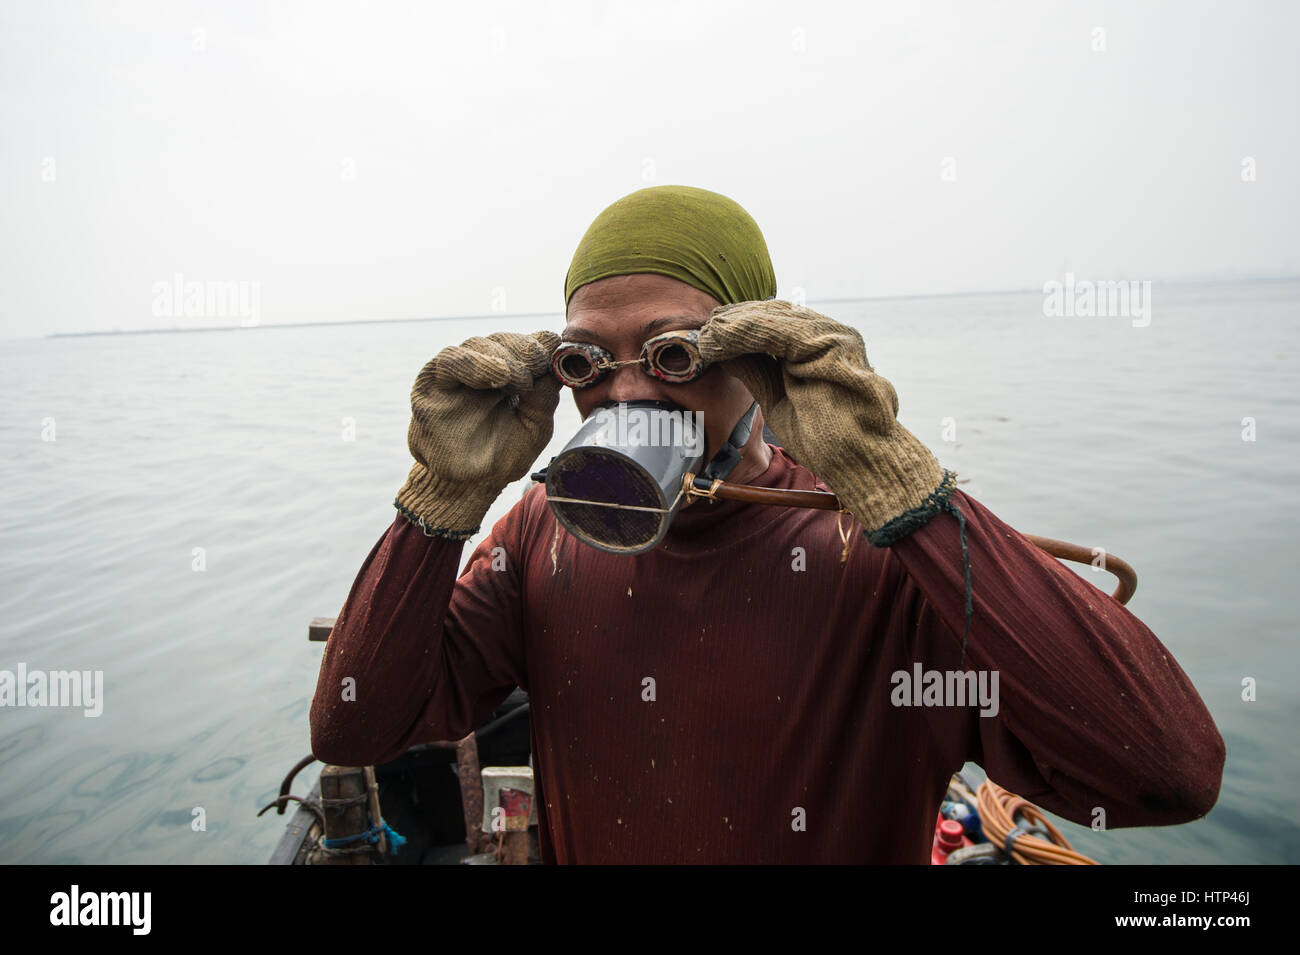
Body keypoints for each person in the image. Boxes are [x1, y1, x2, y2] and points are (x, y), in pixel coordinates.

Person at [309, 184, 1224, 863]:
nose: (626, 389)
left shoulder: (880, 549)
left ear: (758, 353)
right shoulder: (543, 531)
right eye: (590, 360)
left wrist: (896, 480)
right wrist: (441, 501)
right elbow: (355, 730)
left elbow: (1167, 773)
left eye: (675, 355)